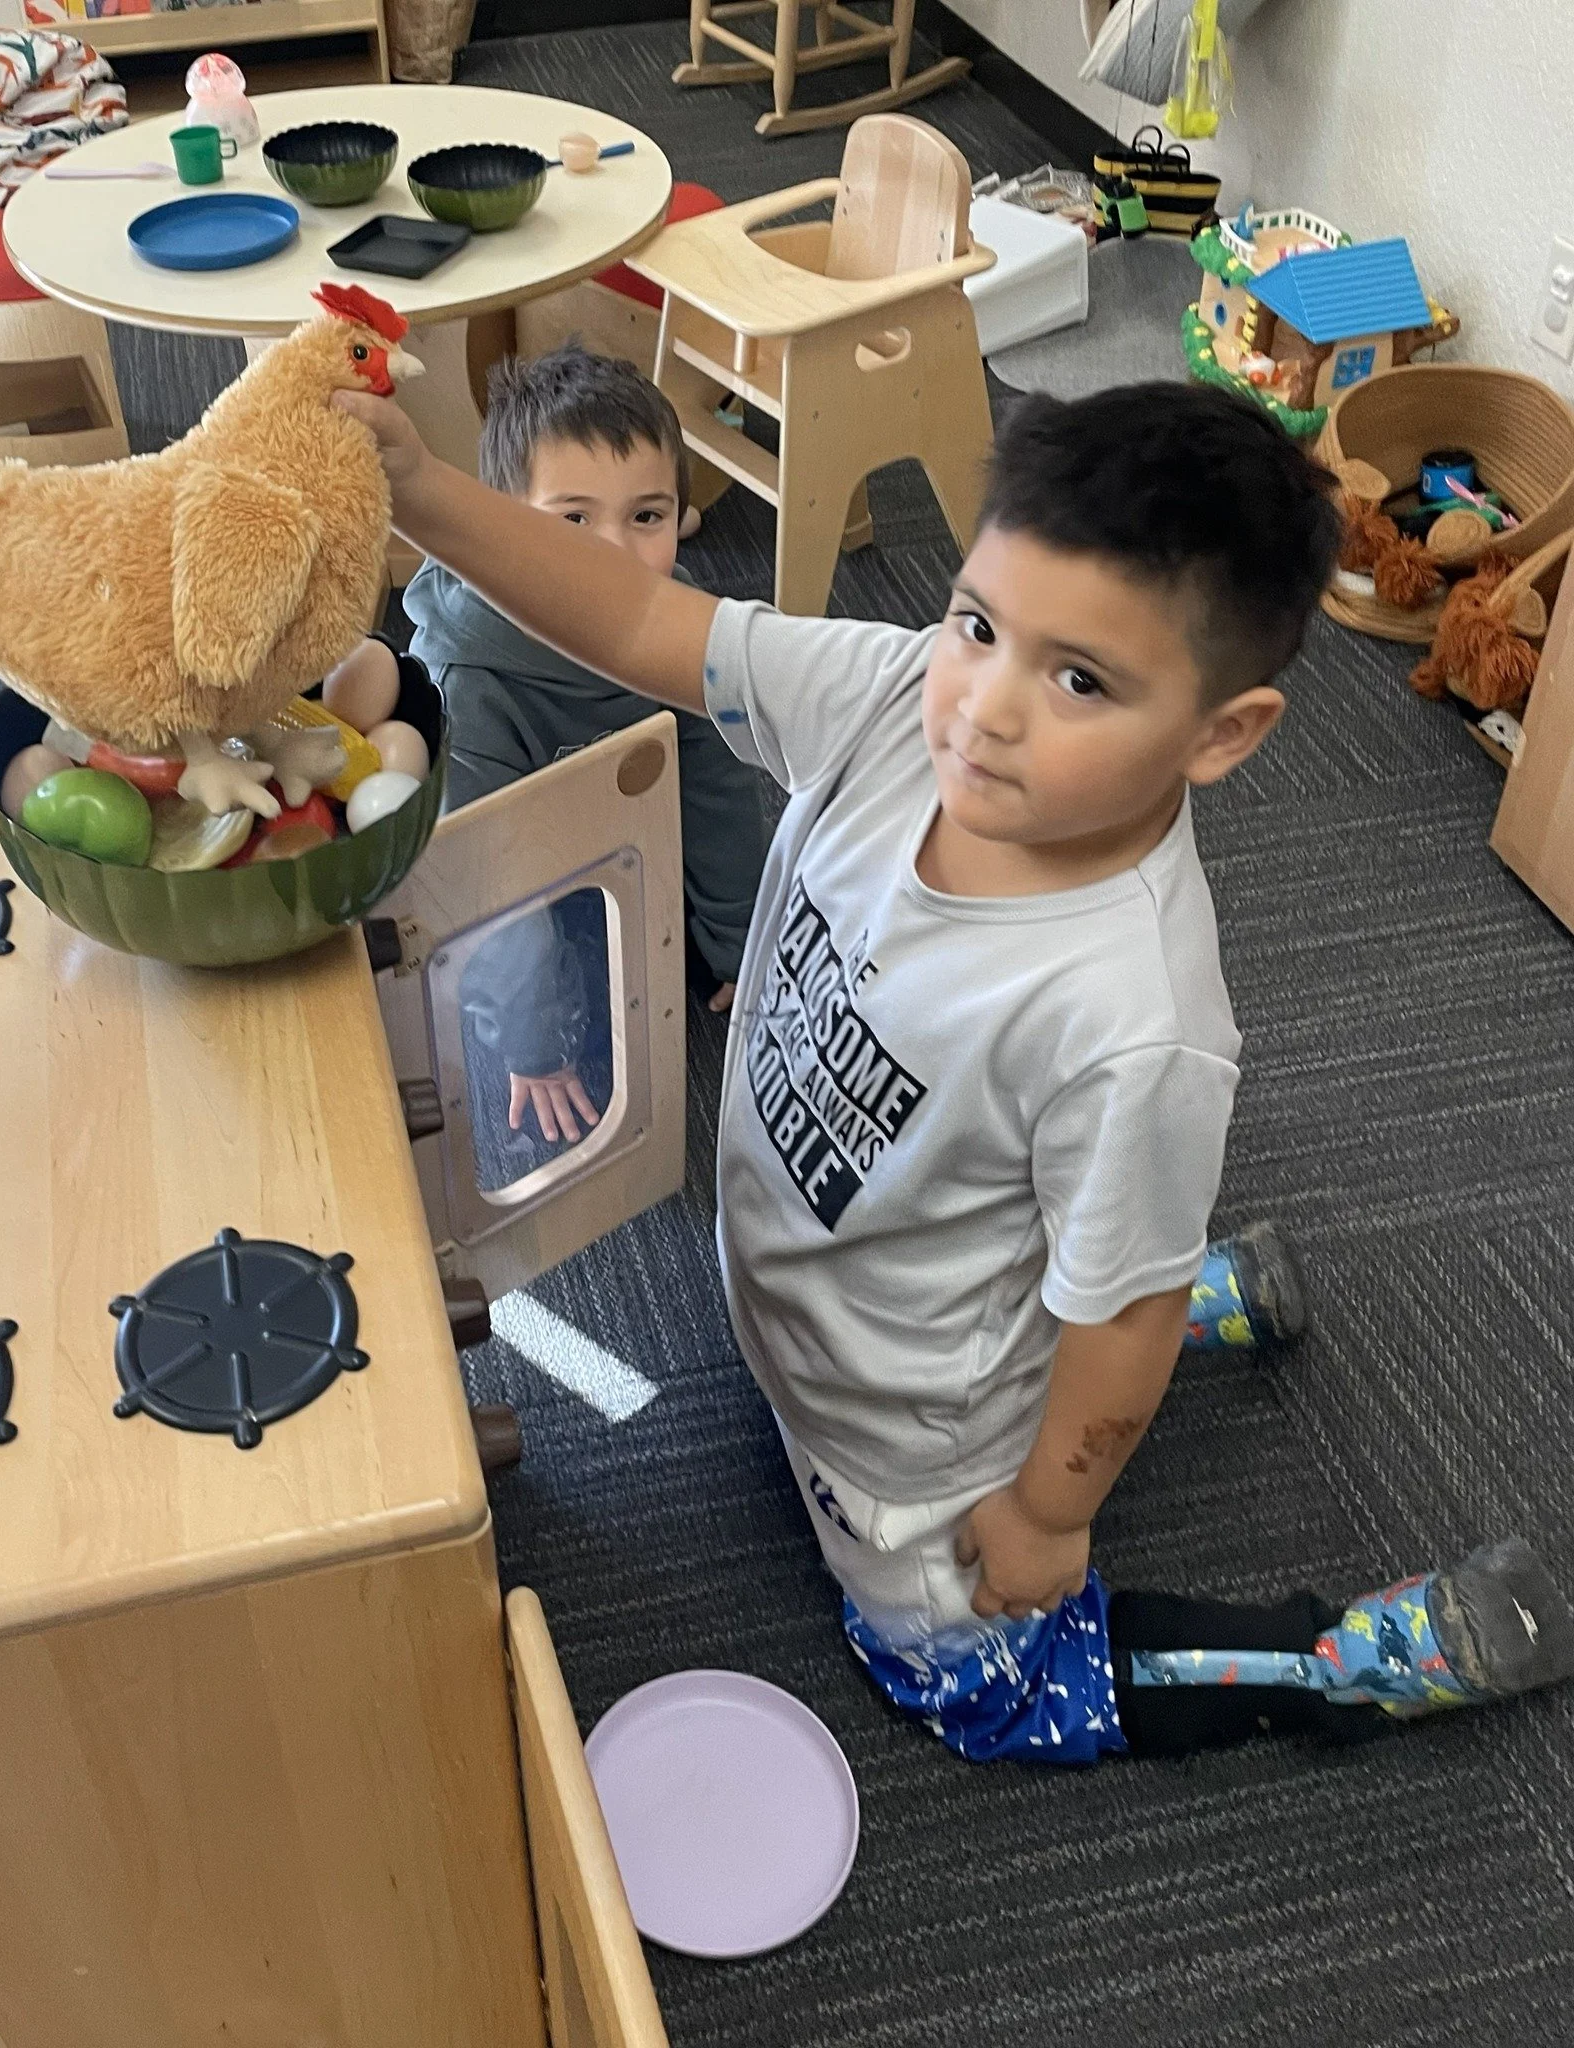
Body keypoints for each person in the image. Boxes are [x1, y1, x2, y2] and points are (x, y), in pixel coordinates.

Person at [340, 371, 1574, 1762]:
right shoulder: (888, 698)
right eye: (979, 624)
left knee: (995, 1693)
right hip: (823, 1319)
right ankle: (1173, 1286)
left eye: (1081, 679)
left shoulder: (1132, 1022)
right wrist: (424, 489)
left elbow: (1122, 1321)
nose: (984, 708)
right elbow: (637, 617)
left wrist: (1046, 1516)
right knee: (1093, 1250)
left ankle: (1346, 1661)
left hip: (915, 1466)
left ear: (1222, 734)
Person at [407, 343, 773, 1147]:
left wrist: (745, 947)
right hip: (512, 882)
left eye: (645, 517)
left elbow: (719, 792)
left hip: (625, 845)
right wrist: (533, 1046)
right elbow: (486, 871)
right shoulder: (465, 678)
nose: (612, 553)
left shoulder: (678, 624)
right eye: (572, 519)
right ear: (502, 528)